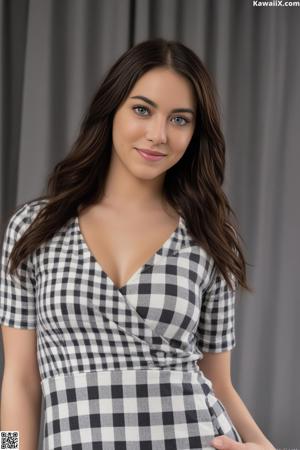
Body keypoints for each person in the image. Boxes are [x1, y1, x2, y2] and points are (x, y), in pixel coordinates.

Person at [0, 38, 275, 450]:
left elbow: (220, 383)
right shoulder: (33, 228)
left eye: (180, 119)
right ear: (111, 110)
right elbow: (19, 381)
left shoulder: (209, 236)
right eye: (142, 110)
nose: (158, 135)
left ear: (195, 132)